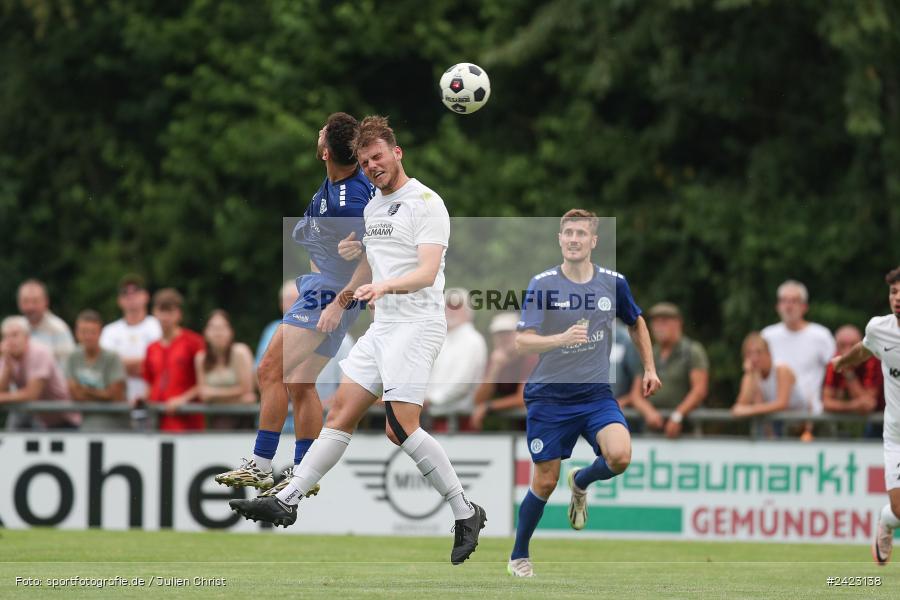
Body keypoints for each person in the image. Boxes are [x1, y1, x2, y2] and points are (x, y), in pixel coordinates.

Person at [229, 115, 487, 565]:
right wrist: (346, 293)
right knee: (340, 413)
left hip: (417, 323)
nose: (372, 166)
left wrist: (383, 287)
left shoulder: (426, 202)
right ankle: (287, 499)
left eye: (379, 157)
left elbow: (427, 272)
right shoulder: (371, 209)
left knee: (399, 428)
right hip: (382, 326)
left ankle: (465, 511)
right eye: (366, 161)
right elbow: (369, 263)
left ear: (397, 153)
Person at [215, 112, 373, 495]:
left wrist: (341, 301)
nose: (318, 133)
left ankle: (260, 464)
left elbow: (374, 256)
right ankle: (304, 469)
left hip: (329, 294)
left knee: (269, 370)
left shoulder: (349, 198)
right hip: (327, 290)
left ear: (324, 153)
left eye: (322, 133)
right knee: (300, 382)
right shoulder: (340, 183)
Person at [507, 209, 661, 578]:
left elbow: (636, 321)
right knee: (544, 481)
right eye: (568, 233)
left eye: (581, 233)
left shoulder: (613, 283)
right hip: (549, 398)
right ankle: (519, 556)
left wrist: (650, 368)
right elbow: (521, 342)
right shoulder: (543, 284)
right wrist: (560, 338)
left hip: (595, 396)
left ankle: (581, 481)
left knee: (621, 456)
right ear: (559, 239)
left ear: (594, 241)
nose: (574, 239)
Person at [831, 266, 900, 565]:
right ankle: (887, 520)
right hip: (897, 435)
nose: (897, 298)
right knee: (899, 510)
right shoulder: (879, 328)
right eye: (894, 292)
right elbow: (865, 349)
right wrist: (842, 362)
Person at [630, 302, 708, 438]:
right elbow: (635, 395)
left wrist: (678, 415)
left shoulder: (692, 351)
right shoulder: (649, 354)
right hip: (653, 429)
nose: (659, 327)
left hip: (685, 429)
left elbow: (699, 390)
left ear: (678, 323)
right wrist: (648, 412)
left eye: (664, 322)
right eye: (655, 323)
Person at [761, 280, 835, 416]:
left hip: (810, 416)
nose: (789, 306)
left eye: (794, 301)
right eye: (784, 301)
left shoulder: (821, 335)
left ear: (804, 306)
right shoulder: (767, 335)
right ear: (778, 306)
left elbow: (835, 371)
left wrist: (827, 400)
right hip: (773, 415)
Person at [143, 288, 206, 432]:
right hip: (157, 420)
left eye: (169, 312)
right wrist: (142, 399)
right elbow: (149, 383)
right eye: (161, 311)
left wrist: (183, 399)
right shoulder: (151, 348)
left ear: (179, 314)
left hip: (187, 421)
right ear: (154, 313)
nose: (165, 317)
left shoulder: (194, 342)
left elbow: (204, 382)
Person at [0, 315, 78, 429]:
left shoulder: (40, 353)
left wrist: (3, 398)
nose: (10, 341)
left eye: (15, 335)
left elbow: (31, 394)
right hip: (36, 416)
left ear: (27, 337)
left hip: (63, 420)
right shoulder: (7, 356)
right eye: (6, 337)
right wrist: (7, 367)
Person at [425, 288, 487, 431]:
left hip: (458, 422)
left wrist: (431, 400)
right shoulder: (442, 340)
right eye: (447, 306)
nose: (451, 310)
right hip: (434, 417)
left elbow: (463, 383)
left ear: (468, 311)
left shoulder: (473, 340)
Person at [99, 274, 162, 407]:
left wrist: (121, 366)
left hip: (153, 400)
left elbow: (160, 364)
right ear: (119, 300)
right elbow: (106, 366)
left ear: (146, 296)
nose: (130, 296)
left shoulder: (158, 326)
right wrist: (144, 365)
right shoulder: (109, 331)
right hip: (119, 402)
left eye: (136, 291)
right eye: (125, 293)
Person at [470, 312, 537, 431]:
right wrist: (494, 369)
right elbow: (478, 400)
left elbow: (523, 399)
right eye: (499, 334)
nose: (503, 338)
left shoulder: (531, 358)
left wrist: (489, 407)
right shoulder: (496, 361)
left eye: (508, 333)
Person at [65, 310, 128, 431]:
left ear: (100, 333)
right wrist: (102, 393)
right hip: (86, 420)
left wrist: (84, 390)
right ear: (77, 333)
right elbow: (74, 394)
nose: (88, 337)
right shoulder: (72, 357)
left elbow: (115, 396)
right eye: (84, 332)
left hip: (115, 423)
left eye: (92, 332)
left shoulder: (112, 357)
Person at [196, 310, 256, 430]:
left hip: (243, 419)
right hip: (216, 420)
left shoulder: (240, 352)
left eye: (222, 328)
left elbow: (248, 391)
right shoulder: (201, 358)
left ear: (231, 332)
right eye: (213, 328)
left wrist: (214, 394)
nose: (218, 333)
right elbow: (203, 395)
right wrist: (237, 395)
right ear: (206, 333)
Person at [731, 333, 805, 424]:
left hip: (802, 424)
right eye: (749, 353)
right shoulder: (753, 375)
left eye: (758, 352)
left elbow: (782, 404)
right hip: (780, 425)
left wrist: (749, 410)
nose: (754, 358)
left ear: (768, 353)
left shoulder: (782, 370)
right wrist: (749, 374)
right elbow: (741, 405)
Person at [823, 325, 882, 418]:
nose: (847, 351)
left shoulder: (872, 361)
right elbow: (826, 403)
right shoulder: (834, 362)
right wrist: (853, 406)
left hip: (881, 418)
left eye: (852, 345)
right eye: (842, 345)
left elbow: (869, 404)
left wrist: (848, 372)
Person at [17, 279, 75, 367]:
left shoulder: (59, 329)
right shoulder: (16, 328)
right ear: (19, 303)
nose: (30, 306)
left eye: (35, 301)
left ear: (46, 301)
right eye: (26, 301)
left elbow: (66, 368)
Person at [254, 279, 299, 368]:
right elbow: (259, 367)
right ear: (281, 304)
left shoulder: (319, 328)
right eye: (290, 299)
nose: (294, 304)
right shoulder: (271, 330)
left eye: (298, 299)